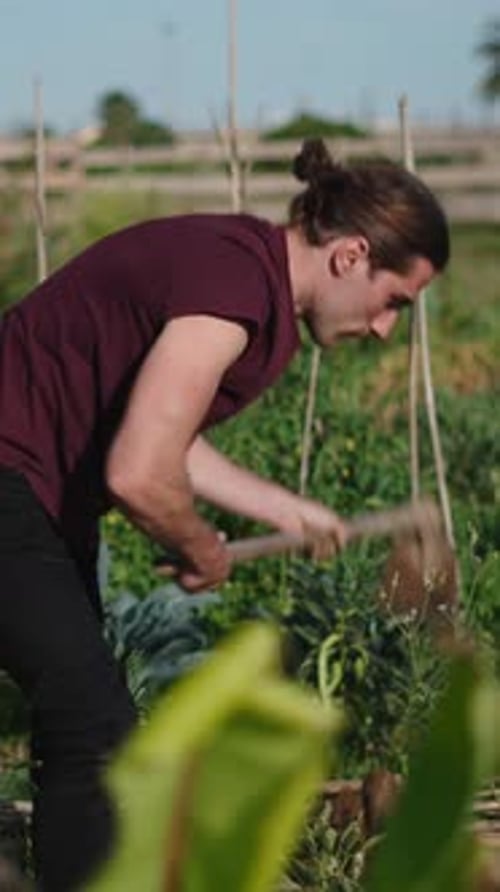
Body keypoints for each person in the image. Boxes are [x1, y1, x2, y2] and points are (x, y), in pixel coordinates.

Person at [0, 138, 449, 890]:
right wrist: (199, 543)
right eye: (395, 301)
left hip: (34, 494)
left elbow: (164, 434)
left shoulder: (247, 278)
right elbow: (140, 471)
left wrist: (285, 510)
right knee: (92, 724)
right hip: (12, 480)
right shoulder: (234, 284)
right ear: (351, 256)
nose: (384, 329)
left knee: (84, 721)